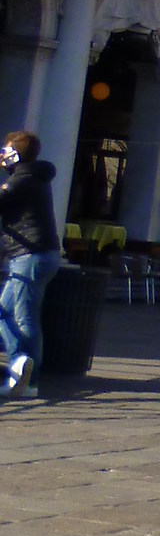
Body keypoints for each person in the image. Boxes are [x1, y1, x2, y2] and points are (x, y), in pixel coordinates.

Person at [0, 133, 60, 398]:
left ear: (16, 154)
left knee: (24, 317)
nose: (2, 154)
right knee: (5, 312)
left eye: (6, 150)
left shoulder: (23, 179)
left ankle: (27, 379)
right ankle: (20, 366)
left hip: (30, 256)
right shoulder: (33, 176)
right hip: (34, 255)